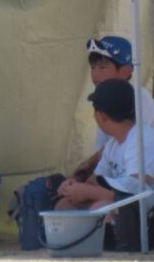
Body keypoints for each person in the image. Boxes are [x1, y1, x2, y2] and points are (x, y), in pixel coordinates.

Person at [56, 77, 154, 211]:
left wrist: (88, 192)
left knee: (102, 207)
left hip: (144, 215)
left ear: (101, 116)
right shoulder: (112, 145)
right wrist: (74, 186)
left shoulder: (143, 139)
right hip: (123, 206)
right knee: (64, 205)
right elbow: (95, 180)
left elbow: (137, 198)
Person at [70, 36, 154, 182]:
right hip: (115, 176)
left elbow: (139, 145)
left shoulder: (139, 97)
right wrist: (89, 167)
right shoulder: (104, 101)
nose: (95, 74)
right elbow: (106, 149)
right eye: (93, 67)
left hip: (136, 182)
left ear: (125, 71)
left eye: (102, 67)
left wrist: (91, 164)